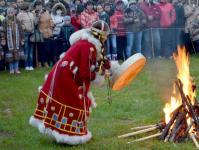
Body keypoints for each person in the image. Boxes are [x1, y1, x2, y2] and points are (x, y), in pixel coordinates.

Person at [29, 20, 110, 145]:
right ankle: (68, 137)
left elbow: (101, 60)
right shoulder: (88, 47)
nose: (106, 38)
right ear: (101, 36)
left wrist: (106, 67)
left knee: (73, 102)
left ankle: (64, 134)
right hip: (66, 75)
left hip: (67, 73)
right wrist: (99, 75)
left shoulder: (90, 43)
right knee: (74, 103)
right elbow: (84, 73)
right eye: (105, 36)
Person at [1, 7, 24, 74]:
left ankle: (16, 69)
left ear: (14, 13)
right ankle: (11, 69)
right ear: (7, 13)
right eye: (9, 12)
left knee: (16, 55)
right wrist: (3, 39)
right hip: (9, 41)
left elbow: (21, 30)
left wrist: (22, 39)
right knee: (10, 56)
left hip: (17, 41)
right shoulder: (5, 21)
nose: (10, 14)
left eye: (12, 12)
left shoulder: (17, 20)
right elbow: (2, 31)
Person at [17, 2, 35, 71]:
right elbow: (18, 24)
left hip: (32, 33)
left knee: (31, 51)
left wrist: (36, 16)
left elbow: (34, 23)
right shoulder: (20, 14)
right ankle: (26, 65)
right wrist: (24, 27)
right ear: (26, 7)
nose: (30, 8)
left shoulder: (31, 14)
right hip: (25, 34)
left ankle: (31, 65)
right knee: (26, 50)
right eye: (29, 6)